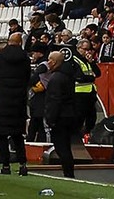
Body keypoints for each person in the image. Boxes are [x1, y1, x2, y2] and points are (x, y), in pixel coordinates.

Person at [0, 30, 32, 175]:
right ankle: (22, 165)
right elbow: (27, 77)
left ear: (8, 41)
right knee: (17, 135)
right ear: (20, 43)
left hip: (1, 99)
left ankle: (5, 165)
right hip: (18, 100)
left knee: (0, 135)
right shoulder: (25, 59)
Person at [43, 48, 78, 180]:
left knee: (61, 147)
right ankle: (69, 172)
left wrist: (51, 119)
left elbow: (54, 101)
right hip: (69, 115)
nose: (47, 63)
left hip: (60, 117)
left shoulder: (56, 79)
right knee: (66, 146)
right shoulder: (68, 76)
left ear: (53, 62)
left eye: (49, 60)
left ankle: (68, 174)